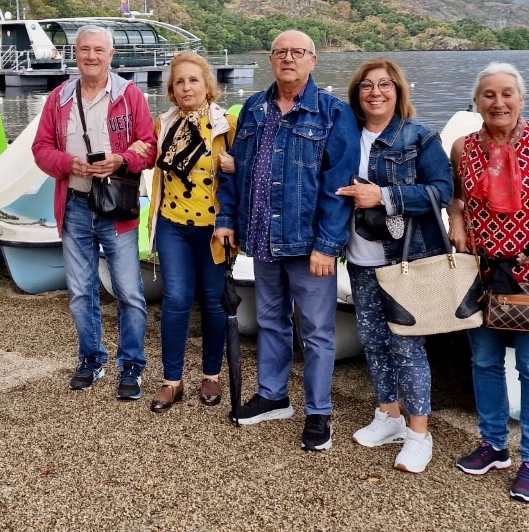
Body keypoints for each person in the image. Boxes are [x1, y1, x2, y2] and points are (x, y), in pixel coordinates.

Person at [214, 30, 359, 451]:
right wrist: (227, 218)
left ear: (313, 60)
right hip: (262, 239)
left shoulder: (332, 112)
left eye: (298, 52)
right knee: (270, 321)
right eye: (281, 52)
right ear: (271, 59)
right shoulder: (254, 109)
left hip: (309, 244)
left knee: (316, 331)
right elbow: (234, 169)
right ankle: (273, 396)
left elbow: (340, 185)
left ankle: (319, 412)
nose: (288, 58)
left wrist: (327, 245)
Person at [446, 62, 529, 503]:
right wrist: (456, 220)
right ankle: (493, 445)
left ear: (521, 99)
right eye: (488, 94)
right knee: (484, 362)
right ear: (476, 101)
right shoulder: (464, 148)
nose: (498, 102)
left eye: (507, 93)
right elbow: (457, 197)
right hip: (483, 272)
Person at [335, 58, 453, 472]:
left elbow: (442, 191)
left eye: (385, 84)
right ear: (357, 93)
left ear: (398, 90)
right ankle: (389, 416)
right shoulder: (345, 136)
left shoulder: (419, 136)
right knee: (373, 341)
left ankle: (420, 434)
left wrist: (385, 196)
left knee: (406, 344)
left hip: (405, 258)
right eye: (366, 85)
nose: (375, 92)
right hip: (358, 256)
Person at [31, 24, 158, 401]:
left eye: (99, 50)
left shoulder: (129, 95)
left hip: (116, 207)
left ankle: (132, 364)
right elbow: (40, 149)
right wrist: (68, 163)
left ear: (111, 55)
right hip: (74, 204)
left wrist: (122, 159)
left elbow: (149, 147)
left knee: (129, 291)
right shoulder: (59, 98)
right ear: (75, 54)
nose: (91, 56)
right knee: (79, 291)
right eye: (85, 49)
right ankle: (91, 359)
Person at [128, 51, 236, 413]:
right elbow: (146, 155)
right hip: (173, 225)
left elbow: (250, 169)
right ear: (171, 90)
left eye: (193, 79)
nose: (187, 87)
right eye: (179, 81)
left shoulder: (227, 125)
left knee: (213, 301)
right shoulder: (163, 123)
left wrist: (237, 166)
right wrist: (134, 149)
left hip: (213, 230)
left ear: (207, 85)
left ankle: (211, 375)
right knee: (175, 298)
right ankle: (171, 381)